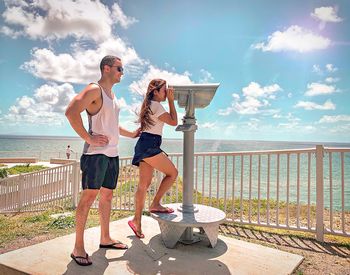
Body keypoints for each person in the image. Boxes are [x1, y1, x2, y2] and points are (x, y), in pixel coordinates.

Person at [65, 55, 140, 266]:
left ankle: (105, 238)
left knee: (107, 197)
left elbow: (112, 126)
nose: (122, 72)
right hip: (95, 154)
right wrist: (88, 138)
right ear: (106, 68)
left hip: (112, 154)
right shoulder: (94, 89)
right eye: (119, 68)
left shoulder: (112, 95)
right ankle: (78, 247)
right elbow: (71, 112)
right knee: (88, 199)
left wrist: (132, 134)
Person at [128, 79, 178, 239]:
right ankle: (155, 203)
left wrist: (168, 98)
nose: (166, 93)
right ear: (155, 92)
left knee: (143, 185)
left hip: (144, 144)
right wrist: (171, 101)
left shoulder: (149, 105)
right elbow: (174, 121)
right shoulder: (156, 105)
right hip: (150, 145)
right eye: (164, 90)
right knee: (173, 173)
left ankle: (137, 220)